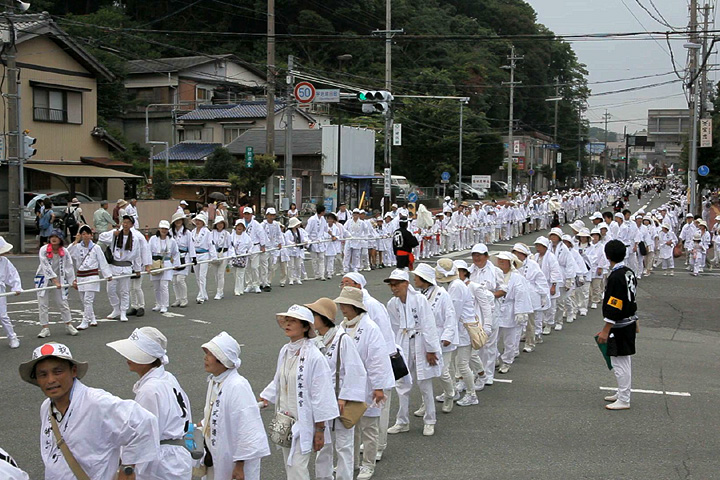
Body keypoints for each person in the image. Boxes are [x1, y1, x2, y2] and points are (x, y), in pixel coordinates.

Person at [19, 342, 160, 479]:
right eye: (43, 375)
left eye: (58, 372)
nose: (50, 380)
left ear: (73, 371)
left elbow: (144, 422)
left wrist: (127, 469)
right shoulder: (46, 407)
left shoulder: (96, 402)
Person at [260, 305, 339, 480]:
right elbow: (278, 380)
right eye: (286, 320)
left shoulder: (314, 356)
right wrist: (266, 396)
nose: (287, 324)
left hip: (305, 420)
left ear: (305, 327)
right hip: (285, 419)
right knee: (289, 463)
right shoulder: (285, 350)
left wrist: (320, 429)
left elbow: (322, 394)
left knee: (297, 466)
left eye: (293, 321)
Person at [107, 327, 193, 479]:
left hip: (162, 465)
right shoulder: (167, 377)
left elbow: (143, 435)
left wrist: (128, 468)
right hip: (178, 458)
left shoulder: (150, 390)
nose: (128, 357)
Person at [334, 287, 395, 480]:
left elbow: (377, 359)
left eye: (345, 304)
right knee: (350, 426)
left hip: (368, 385)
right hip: (349, 385)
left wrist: (378, 387)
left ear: (355, 306)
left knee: (369, 427)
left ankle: (368, 464)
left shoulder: (370, 328)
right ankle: (350, 462)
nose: (342, 308)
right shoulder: (343, 326)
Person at [305, 298, 367, 480]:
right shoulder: (314, 340)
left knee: (344, 445)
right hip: (322, 400)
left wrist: (344, 398)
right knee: (322, 445)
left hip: (340, 400)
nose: (310, 319)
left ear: (324, 317)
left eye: (314, 315)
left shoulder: (342, 339)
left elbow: (356, 370)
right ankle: (323, 477)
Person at [201, 331, 270, 480]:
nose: (205, 358)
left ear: (222, 359)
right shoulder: (216, 381)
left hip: (236, 461)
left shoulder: (237, 386)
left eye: (210, 354)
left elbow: (248, 430)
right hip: (218, 455)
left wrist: (240, 466)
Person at [385, 269, 443, 437]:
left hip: (420, 341)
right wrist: (393, 349)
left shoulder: (419, 300)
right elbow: (394, 327)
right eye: (391, 285)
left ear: (406, 284)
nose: (394, 288)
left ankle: (430, 419)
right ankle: (402, 421)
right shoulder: (392, 304)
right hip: (403, 341)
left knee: (424, 382)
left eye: (396, 284)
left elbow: (428, 324)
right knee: (402, 383)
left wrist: (431, 350)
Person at [596, 239, 638, 410]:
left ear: (607, 256)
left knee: (619, 361)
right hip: (629, 320)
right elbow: (632, 298)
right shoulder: (629, 272)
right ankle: (622, 392)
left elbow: (615, 304)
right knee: (624, 361)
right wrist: (636, 319)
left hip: (619, 324)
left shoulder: (616, 276)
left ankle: (624, 398)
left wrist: (606, 329)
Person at [411, 263, 458, 415]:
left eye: (416, 277)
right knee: (425, 374)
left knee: (442, 372)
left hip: (442, 336)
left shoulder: (442, 294)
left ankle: (450, 394)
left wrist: (447, 336)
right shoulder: (419, 295)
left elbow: (450, 316)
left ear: (424, 279)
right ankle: (426, 403)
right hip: (425, 338)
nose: (414, 280)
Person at [99, 215, 148, 322]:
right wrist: (113, 233)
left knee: (124, 291)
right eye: (124, 222)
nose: (125, 224)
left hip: (126, 267)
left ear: (131, 225)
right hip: (114, 266)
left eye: (127, 222)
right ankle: (116, 308)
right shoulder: (116, 234)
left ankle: (123, 311)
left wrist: (137, 269)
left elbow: (137, 255)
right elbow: (101, 237)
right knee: (110, 290)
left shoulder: (135, 238)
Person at [492, 252, 533, 374]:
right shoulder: (494, 275)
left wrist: (520, 312)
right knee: (491, 339)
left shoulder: (517, 278)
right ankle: (494, 358)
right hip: (496, 308)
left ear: (510, 263)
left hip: (510, 310)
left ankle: (507, 361)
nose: (501, 264)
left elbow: (521, 295)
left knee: (510, 340)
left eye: (503, 261)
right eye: (499, 261)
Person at [68, 225, 112, 330]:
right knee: (83, 300)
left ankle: (85, 321)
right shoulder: (77, 247)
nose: (85, 236)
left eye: (87, 234)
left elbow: (102, 261)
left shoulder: (96, 248)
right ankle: (92, 318)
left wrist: (107, 274)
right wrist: (75, 241)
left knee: (88, 300)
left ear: (91, 235)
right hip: (81, 276)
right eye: (83, 234)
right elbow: (68, 253)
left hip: (92, 275)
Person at [36, 229, 78, 338]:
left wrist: (72, 280)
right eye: (52, 237)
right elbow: (45, 265)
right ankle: (45, 328)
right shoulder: (44, 250)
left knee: (63, 301)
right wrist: (54, 280)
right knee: (43, 303)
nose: (54, 239)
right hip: (43, 277)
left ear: (60, 239)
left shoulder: (64, 251)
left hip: (60, 276)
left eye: (56, 237)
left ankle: (68, 324)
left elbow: (69, 266)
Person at [148, 220, 180, 313]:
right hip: (155, 263)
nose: (164, 230)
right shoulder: (153, 239)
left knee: (164, 285)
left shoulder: (172, 241)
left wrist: (176, 264)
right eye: (162, 228)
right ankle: (158, 303)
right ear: (159, 229)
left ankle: (164, 305)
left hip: (166, 264)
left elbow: (175, 253)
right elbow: (148, 252)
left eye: (166, 229)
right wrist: (148, 264)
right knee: (156, 286)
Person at [170, 211, 195, 308]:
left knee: (180, 279)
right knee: (175, 280)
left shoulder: (187, 232)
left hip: (184, 256)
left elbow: (191, 245)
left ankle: (184, 299)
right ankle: (178, 298)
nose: (178, 222)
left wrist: (193, 257)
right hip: (173, 257)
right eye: (176, 220)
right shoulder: (170, 232)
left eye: (180, 220)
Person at [0, 236, 22, 348]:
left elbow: (13, 274)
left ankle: (12, 337)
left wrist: (16, 287)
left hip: (0, 290)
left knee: (3, 315)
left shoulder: (4, 261)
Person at [241, 206, 269, 294]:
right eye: (245, 214)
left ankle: (256, 284)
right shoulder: (240, 222)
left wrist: (263, 245)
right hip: (244, 247)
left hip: (255, 246)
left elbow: (261, 234)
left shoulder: (256, 224)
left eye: (248, 214)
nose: (247, 216)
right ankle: (249, 284)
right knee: (247, 267)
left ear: (251, 214)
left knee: (254, 266)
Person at [191, 213, 217, 304]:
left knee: (202, 276)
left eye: (200, 221)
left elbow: (210, 244)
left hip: (204, 255)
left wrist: (213, 256)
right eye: (197, 220)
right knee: (197, 276)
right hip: (195, 255)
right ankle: (204, 293)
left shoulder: (207, 232)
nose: (198, 222)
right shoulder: (193, 232)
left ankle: (201, 296)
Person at [261, 207, 286, 290]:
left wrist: (280, 243)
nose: (272, 217)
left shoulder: (276, 224)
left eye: (273, 215)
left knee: (271, 266)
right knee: (264, 266)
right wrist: (262, 245)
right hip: (266, 247)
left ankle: (268, 281)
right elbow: (260, 236)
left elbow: (279, 234)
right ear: (267, 215)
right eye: (270, 215)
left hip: (273, 247)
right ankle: (263, 282)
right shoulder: (263, 225)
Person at [209, 216, 231, 300]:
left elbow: (230, 246)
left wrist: (230, 256)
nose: (220, 225)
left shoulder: (227, 234)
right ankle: (218, 289)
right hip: (214, 254)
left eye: (221, 223)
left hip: (223, 254)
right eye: (218, 223)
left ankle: (220, 291)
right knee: (215, 274)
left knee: (220, 274)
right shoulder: (211, 233)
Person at [306, 205, 329, 280]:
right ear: (322, 212)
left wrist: (332, 235)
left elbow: (326, 229)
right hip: (313, 241)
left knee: (321, 258)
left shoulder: (323, 219)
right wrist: (307, 241)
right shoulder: (312, 219)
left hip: (321, 241)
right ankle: (316, 274)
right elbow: (307, 231)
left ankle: (322, 275)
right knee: (314, 259)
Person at [230, 220, 252, 295]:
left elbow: (250, 246)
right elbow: (230, 246)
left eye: (241, 226)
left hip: (242, 257)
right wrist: (233, 254)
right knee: (235, 273)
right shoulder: (231, 236)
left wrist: (248, 253)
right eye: (238, 226)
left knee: (241, 273)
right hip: (234, 256)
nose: (239, 228)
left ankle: (240, 289)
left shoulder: (246, 237)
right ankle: (237, 288)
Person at [285, 217, 308, 285]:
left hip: (298, 250)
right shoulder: (288, 232)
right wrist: (293, 244)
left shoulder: (300, 231)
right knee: (291, 265)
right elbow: (287, 241)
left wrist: (305, 242)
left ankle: (298, 278)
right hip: (291, 250)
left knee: (298, 265)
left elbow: (303, 238)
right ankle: (291, 278)